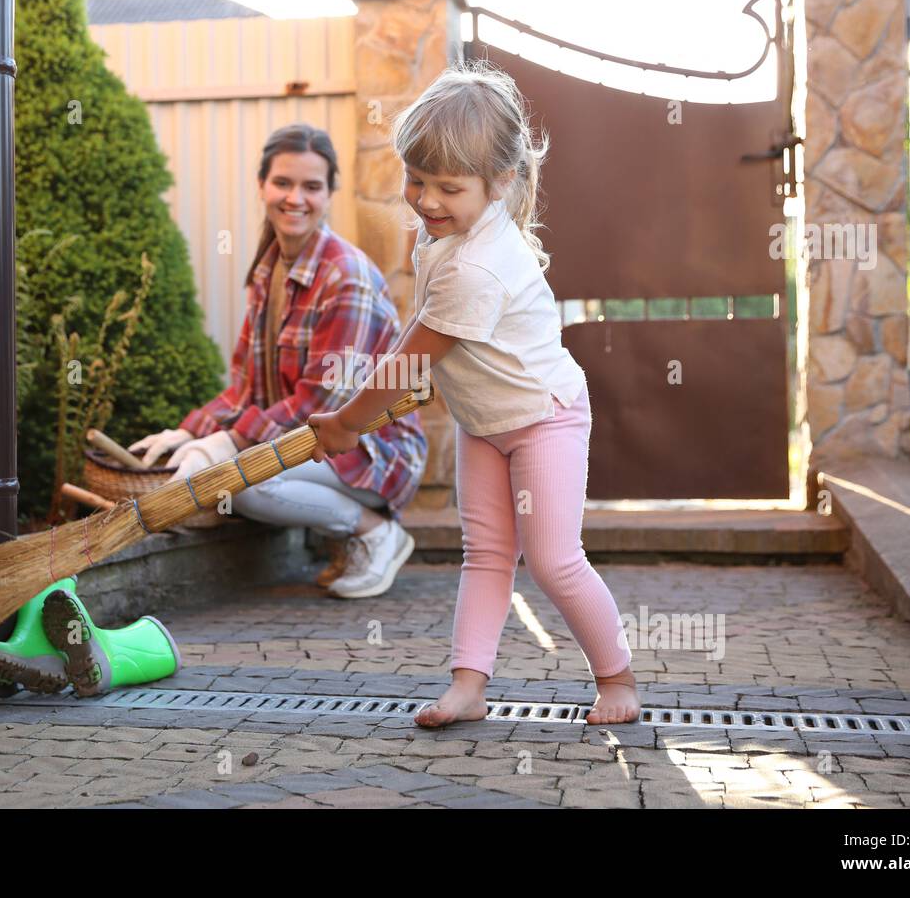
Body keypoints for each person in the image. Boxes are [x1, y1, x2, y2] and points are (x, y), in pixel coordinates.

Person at [307, 61, 641, 727]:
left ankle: (618, 680)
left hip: (543, 419)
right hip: (485, 424)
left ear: (502, 183)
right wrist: (364, 404)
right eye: (417, 180)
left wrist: (348, 425)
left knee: (551, 558)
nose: (426, 200)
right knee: (485, 554)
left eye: (447, 187)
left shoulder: (478, 265)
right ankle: (468, 686)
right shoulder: (449, 236)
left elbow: (411, 363)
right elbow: (418, 340)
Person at [131, 123, 428, 599]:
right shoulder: (268, 270)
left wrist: (227, 442)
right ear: (262, 186)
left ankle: (375, 532)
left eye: (312, 186)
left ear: (329, 193)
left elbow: (322, 398)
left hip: (374, 450)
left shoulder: (344, 275)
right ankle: (348, 537)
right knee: (234, 469)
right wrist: (190, 430)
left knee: (245, 483)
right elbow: (245, 388)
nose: (296, 198)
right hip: (315, 443)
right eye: (283, 183)